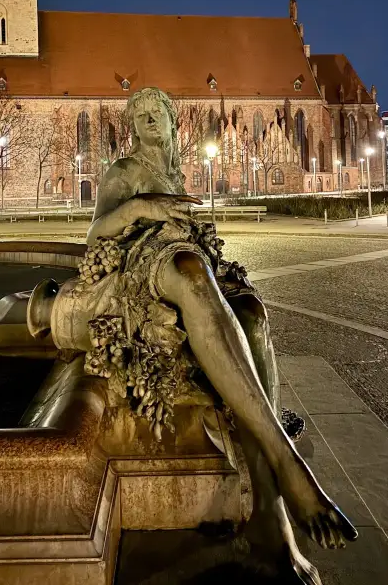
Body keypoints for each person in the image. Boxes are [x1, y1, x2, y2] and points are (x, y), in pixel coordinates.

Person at [28, 87, 356, 583]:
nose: (147, 121)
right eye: (137, 116)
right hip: (147, 265)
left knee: (252, 316)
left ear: (170, 119)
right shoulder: (124, 172)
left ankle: (270, 511)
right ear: (131, 127)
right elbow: (96, 234)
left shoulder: (176, 170)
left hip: (191, 260)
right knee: (191, 272)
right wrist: (142, 211)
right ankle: (286, 477)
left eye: (155, 112)